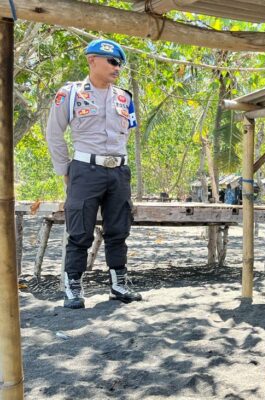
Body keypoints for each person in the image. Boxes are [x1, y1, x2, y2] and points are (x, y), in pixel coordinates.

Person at [46, 38, 142, 309]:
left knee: (119, 229)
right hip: (85, 170)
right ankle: (73, 286)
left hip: (119, 172)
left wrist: (122, 170)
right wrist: (64, 170)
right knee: (79, 231)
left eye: (120, 64)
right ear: (92, 61)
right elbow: (54, 134)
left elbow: (125, 134)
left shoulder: (125, 97)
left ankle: (119, 283)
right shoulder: (71, 94)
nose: (117, 68)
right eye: (112, 62)